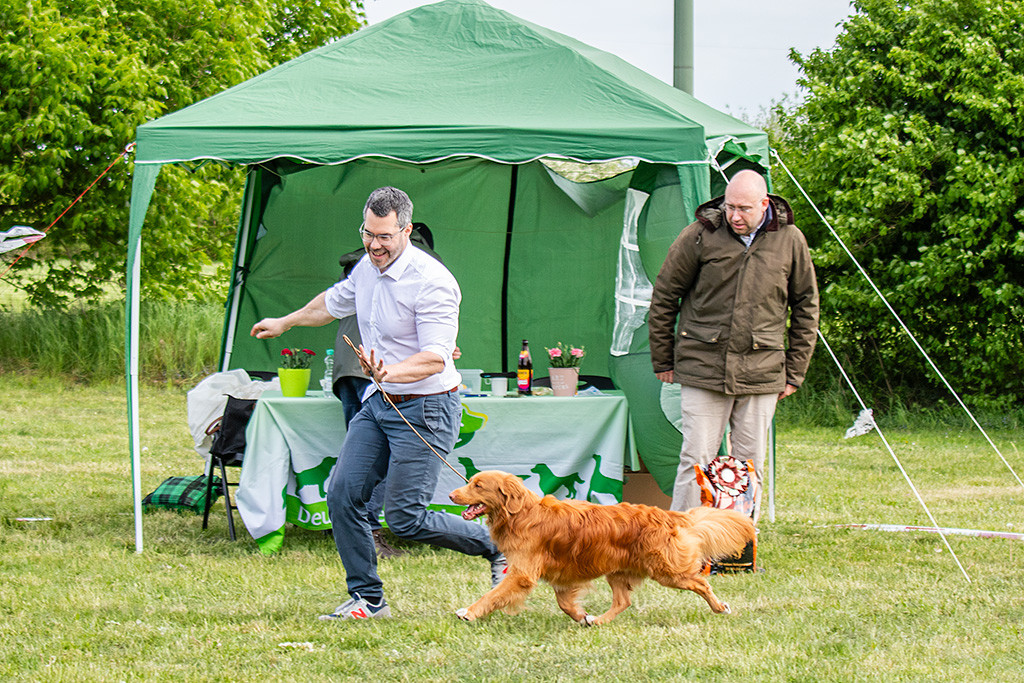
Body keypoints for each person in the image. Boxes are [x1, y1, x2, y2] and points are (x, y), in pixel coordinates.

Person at [251, 186, 505, 621]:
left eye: (384, 236)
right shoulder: (366, 269)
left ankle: (497, 547)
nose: (374, 244)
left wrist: (390, 371)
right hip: (380, 403)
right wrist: (285, 321)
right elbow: (332, 303)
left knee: (405, 518)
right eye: (368, 233)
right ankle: (367, 599)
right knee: (342, 494)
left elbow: (436, 357)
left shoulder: (433, 282)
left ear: (405, 230)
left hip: (426, 408)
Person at [648, 169, 819, 513]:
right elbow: (665, 296)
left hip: (762, 370)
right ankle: (681, 546)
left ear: (764, 204)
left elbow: (806, 305)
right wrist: (663, 359)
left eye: (744, 209)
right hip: (702, 367)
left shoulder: (790, 239)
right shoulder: (698, 235)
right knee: (695, 459)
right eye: (729, 208)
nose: (735, 216)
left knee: (750, 462)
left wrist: (795, 372)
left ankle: (740, 545)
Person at [331, 225, 443, 559]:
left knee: (360, 465)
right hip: (373, 374)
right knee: (376, 461)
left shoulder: (364, 262)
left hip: (351, 369)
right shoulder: (409, 263)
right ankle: (372, 534)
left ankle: (364, 532)